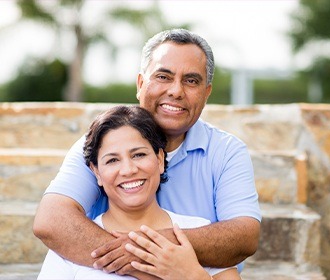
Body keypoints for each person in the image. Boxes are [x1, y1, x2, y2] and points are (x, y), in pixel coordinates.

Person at [33, 28, 261, 278]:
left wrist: (153, 254)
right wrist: (147, 263)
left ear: (206, 93)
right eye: (163, 76)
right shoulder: (101, 142)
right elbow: (52, 220)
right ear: (141, 84)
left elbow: (244, 236)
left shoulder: (227, 152)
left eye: (191, 80)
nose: (176, 91)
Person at [37, 105, 240, 279]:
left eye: (139, 155)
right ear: (96, 172)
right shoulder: (71, 245)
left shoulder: (197, 231)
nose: (128, 170)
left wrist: (192, 275)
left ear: (160, 160)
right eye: (112, 160)